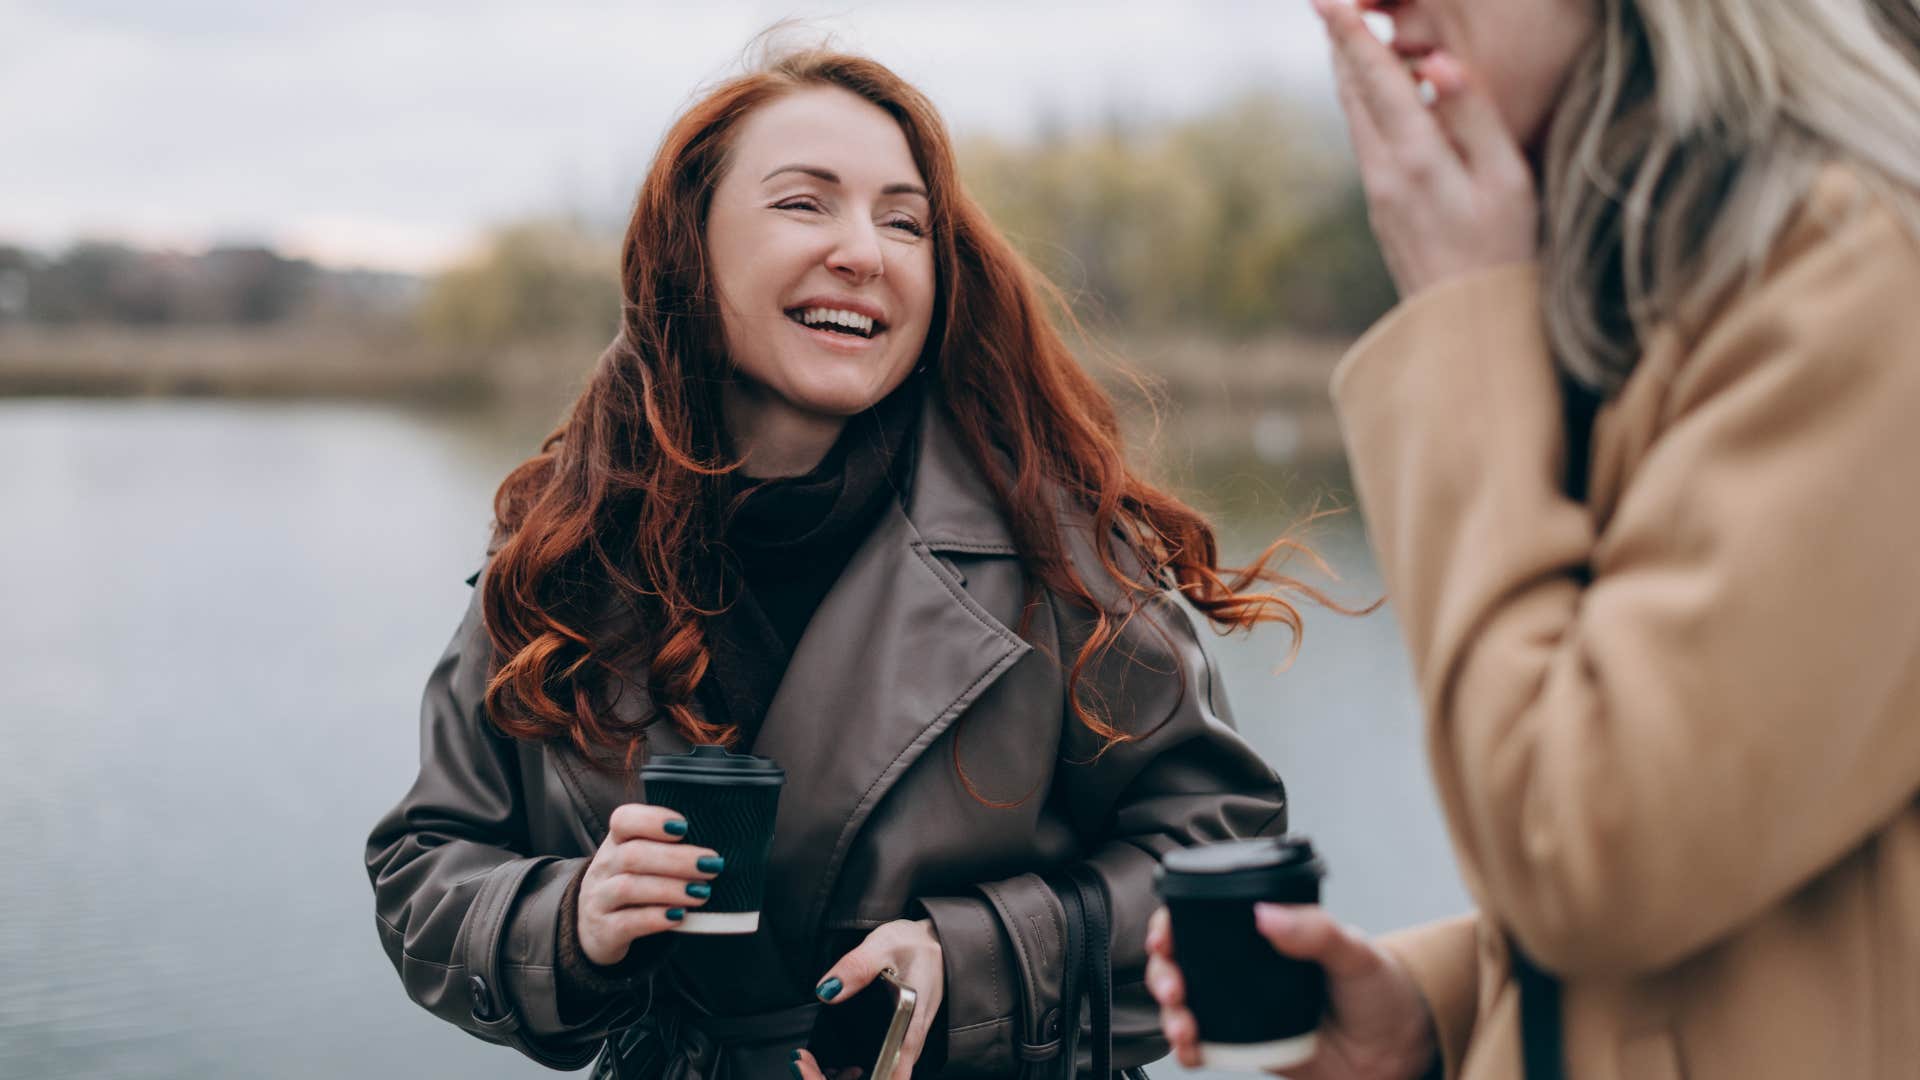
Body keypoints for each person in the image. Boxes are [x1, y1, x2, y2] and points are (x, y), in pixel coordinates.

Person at [366, 45, 1332, 1080]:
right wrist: (571, 918)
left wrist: (976, 962)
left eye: (905, 222)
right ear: (688, 247)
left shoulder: (1057, 546)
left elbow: (1223, 857)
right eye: (804, 204)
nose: (866, 253)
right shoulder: (562, 550)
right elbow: (425, 867)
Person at [1146, 0, 1920, 1076]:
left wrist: (1461, 311)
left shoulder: (1860, 280)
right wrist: (1439, 1008)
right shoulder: (1659, 285)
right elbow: (1742, 858)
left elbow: (1590, 845)